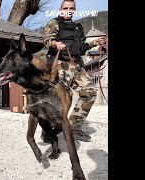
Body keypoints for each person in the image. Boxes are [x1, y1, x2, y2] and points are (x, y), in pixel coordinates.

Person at [37, 0, 105, 142]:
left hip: (76, 65)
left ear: (74, 10)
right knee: (58, 99)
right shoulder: (54, 23)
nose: (68, 10)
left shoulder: (77, 27)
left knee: (90, 93)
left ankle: (74, 127)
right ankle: (48, 131)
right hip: (60, 64)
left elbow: (80, 48)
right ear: (61, 9)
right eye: (65, 8)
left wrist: (94, 43)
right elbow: (47, 40)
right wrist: (56, 43)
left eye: (71, 8)